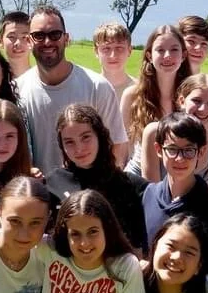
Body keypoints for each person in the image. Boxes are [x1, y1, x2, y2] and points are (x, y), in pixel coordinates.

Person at [16, 6, 128, 172]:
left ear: (66, 39)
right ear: (29, 41)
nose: (47, 42)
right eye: (39, 36)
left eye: (55, 34)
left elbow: (117, 147)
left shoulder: (97, 87)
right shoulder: (17, 90)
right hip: (35, 187)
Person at [141, 114, 208, 276]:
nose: (180, 159)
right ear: (158, 150)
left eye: (189, 151)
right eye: (172, 150)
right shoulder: (149, 194)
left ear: (201, 152)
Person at [48, 104, 148, 254]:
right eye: (69, 142)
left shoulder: (132, 186)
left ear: (99, 136)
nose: (79, 148)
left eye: (85, 137)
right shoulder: (53, 183)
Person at [139, 73, 208, 183]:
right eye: (196, 101)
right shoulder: (154, 132)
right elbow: (150, 188)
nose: (203, 109)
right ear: (182, 101)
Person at [121, 25, 191, 151]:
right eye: (160, 50)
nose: (167, 55)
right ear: (149, 56)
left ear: (184, 55)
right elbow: (123, 145)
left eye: (174, 49)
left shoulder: (193, 96)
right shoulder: (131, 95)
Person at [93, 22, 134, 96]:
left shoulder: (142, 90)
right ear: (96, 52)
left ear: (130, 51)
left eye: (119, 48)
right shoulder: (88, 90)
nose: (113, 56)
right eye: (106, 48)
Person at [0, 11, 33, 78]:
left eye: (24, 37)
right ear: (0, 41)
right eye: (11, 37)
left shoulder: (44, 80)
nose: (18, 43)